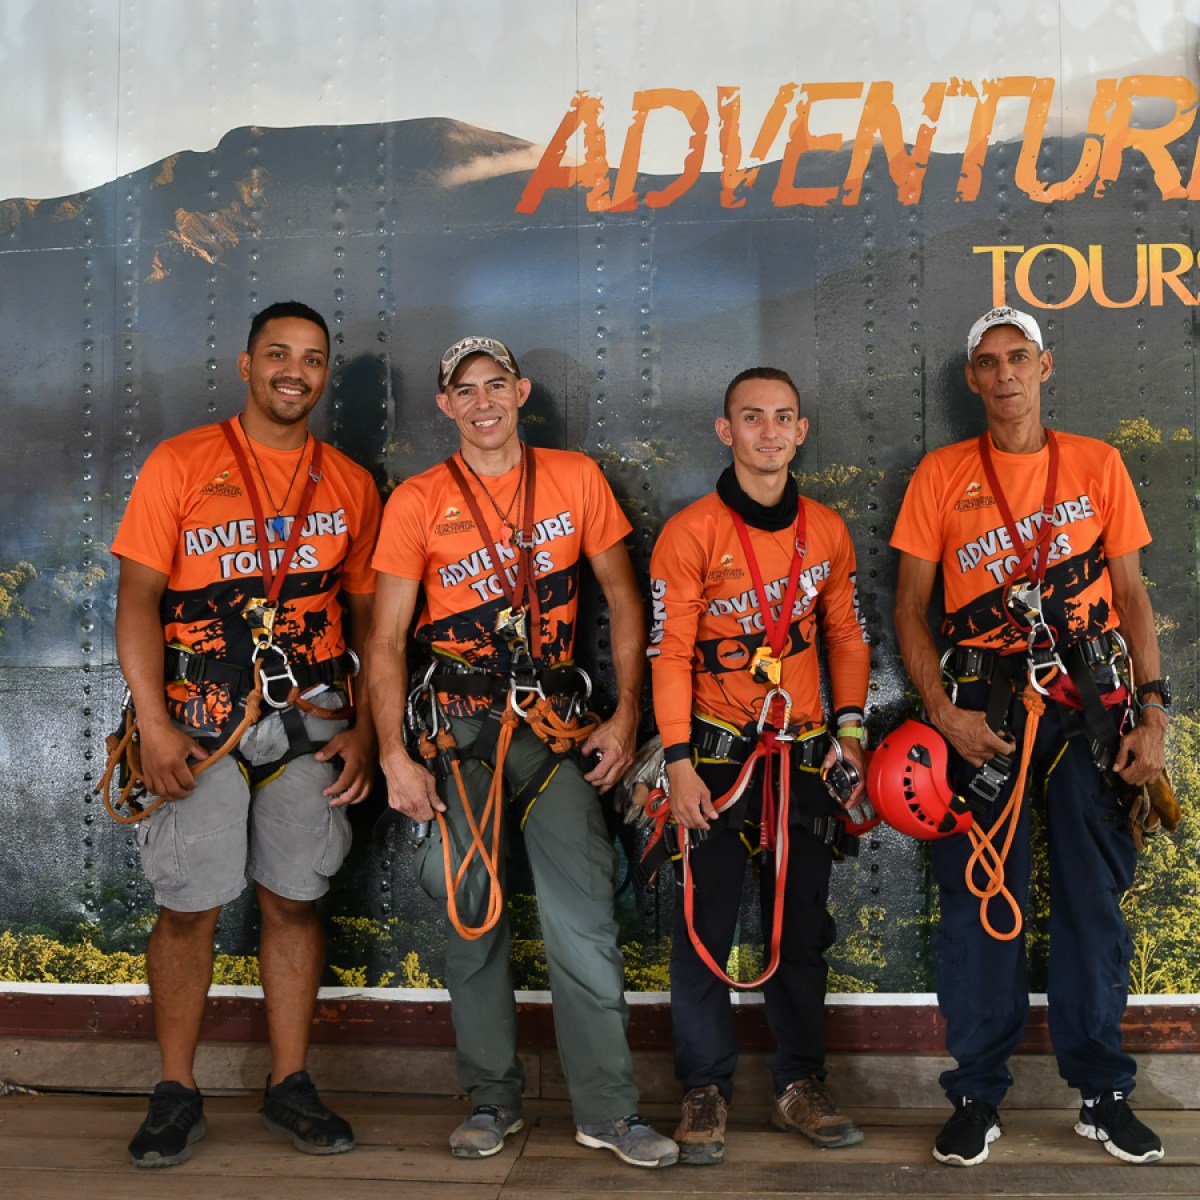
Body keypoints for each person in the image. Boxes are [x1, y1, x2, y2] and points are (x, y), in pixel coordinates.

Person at [368, 336, 677, 1169]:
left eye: (494, 385)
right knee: (473, 920)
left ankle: (609, 1111)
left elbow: (620, 595)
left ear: (521, 390)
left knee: (585, 923)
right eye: (463, 390)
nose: (481, 402)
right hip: (461, 735)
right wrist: (394, 754)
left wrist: (625, 719)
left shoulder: (574, 479)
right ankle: (492, 1100)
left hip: (553, 730)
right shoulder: (420, 501)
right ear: (446, 406)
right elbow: (388, 637)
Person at [891, 306, 1169, 1167]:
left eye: (1020, 357)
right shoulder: (939, 474)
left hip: (1090, 706)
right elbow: (909, 607)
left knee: (1093, 902)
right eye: (988, 362)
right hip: (985, 714)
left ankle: (1103, 1094)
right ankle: (977, 1093)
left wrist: (1152, 712)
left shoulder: (1098, 464)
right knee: (980, 906)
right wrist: (943, 713)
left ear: (1046, 368)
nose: (1005, 373)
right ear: (971, 380)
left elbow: (1131, 597)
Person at [111, 300, 382, 1168]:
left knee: (294, 898)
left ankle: (290, 1084)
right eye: (277, 354)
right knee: (189, 906)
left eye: (310, 357)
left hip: (312, 719)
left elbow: (376, 618)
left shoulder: (348, 482)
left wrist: (372, 728)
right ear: (246, 365)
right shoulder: (183, 462)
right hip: (198, 720)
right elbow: (137, 601)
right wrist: (153, 723)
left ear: (324, 373)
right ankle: (176, 1090)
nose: (293, 371)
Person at [647, 367, 871, 1165]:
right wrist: (676, 762)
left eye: (783, 418)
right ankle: (704, 1091)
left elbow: (845, 637)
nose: (769, 432)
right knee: (704, 928)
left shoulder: (829, 531)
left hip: (806, 756)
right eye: (752, 418)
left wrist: (850, 734)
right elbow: (669, 653)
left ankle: (798, 1085)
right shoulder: (690, 534)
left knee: (800, 929)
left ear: (801, 431)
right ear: (725, 430)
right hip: (713, 755)